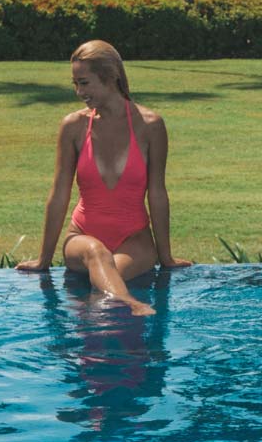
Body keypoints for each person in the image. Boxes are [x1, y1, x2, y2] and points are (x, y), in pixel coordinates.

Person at [17, 40, 191, 315]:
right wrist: (43, 259)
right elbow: (59, 194)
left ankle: (99, 320)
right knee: (97, 253)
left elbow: (157, 192)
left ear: (111, 77)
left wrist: (166, 256)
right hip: (82, 236)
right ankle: (132, 303)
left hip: (135, 239)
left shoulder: (150, 126)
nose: (78, 92)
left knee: (109, 281)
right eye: (75, 83)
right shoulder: (74, 126)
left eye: (84, 83)